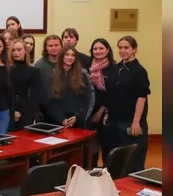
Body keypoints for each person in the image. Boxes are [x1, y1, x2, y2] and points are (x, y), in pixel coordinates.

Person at [103, 36, 151, 172]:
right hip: (115, 120)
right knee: (116, 158)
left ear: (134, 49)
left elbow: (141, 98)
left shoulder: (139, 71)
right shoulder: (116, 68)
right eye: (120, 48)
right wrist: (108, 113)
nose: (122, 51)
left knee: (132, 160)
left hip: (130, 121)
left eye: (126, 48)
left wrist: (136, 121)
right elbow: (112, 94)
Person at [47, 46, 94, 129]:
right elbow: (51, 101)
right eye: (67, 55)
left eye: (73, 55)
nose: (70, 57)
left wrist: (78, 117)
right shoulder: (53, 75)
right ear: (62, 57)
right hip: (60, 121)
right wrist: (61, 119)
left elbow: (89, 98)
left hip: (79, 121)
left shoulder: (83, 73)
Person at [87, 38, 115, 165]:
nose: (98, 51)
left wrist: (100, 112)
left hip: (106, 113)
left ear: (107, 50)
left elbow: (112, 93)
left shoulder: (114, 68)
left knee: (107, 147)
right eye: (95, 49)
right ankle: (90, 172)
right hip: (89, 112)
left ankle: (107, 174)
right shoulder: (88, 66)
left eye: (101, 48)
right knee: (90, 147)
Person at [9, 39, 42, 131]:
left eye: (19, 50)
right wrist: (13, 111)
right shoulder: (7, 70)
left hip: (26, 112)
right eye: (13, 50)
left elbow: (35, 95)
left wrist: (22, 112)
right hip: (9, 111)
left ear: (25, 51)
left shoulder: (33, 71)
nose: (16, 53)